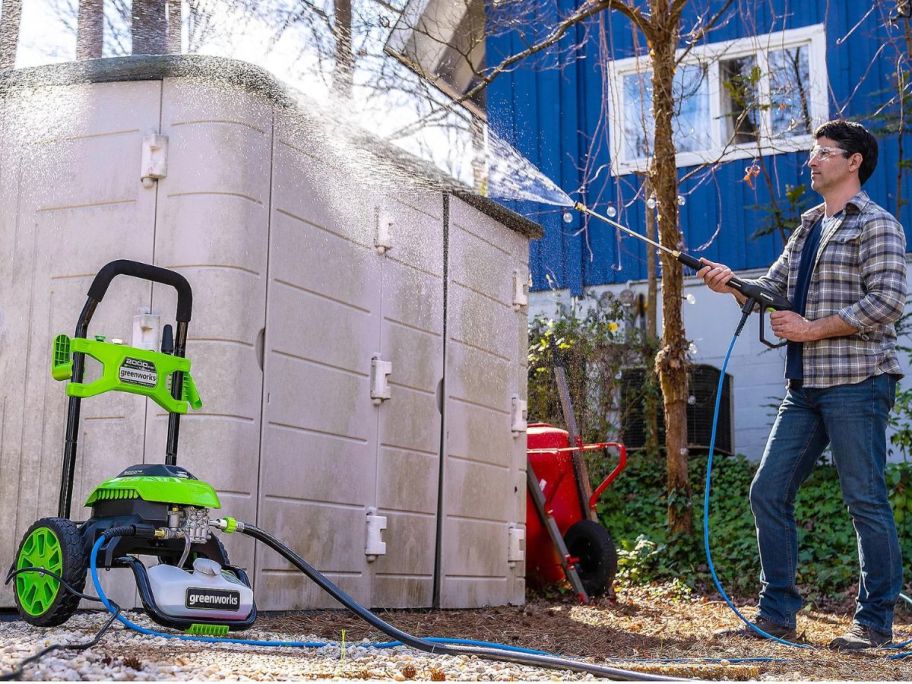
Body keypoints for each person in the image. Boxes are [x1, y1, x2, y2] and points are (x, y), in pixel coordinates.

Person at [698, 120, 907, 650]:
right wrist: (731, 285)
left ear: (854, 160)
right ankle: (777, 614)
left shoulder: (877, 225)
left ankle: (875, 622)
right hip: (806, 386)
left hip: (858, 382)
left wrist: (812, 328)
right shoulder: (809, 225)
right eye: (812, 154)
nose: (811, 162)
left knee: (864, 500)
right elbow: (771, 290)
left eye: (822, 153)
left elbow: (887, 303)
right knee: (768, 491)